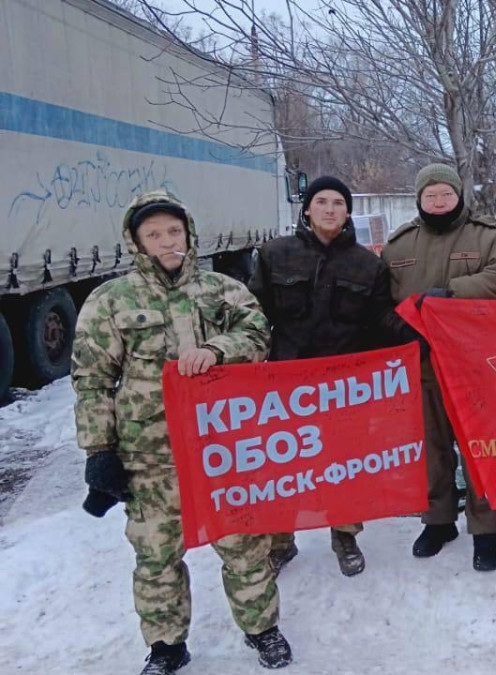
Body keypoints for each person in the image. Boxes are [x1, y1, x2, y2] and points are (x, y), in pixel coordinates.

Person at [72, 191, 291, 674]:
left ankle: (262, 629)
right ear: (137, 243)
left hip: (221, 450)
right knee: (156, 557)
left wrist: (217, 349)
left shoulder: (222, 289)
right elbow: (92, 378)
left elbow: (258, 334)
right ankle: (167, 646)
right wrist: (99, 449)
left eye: (174, 231)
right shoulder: (111, 300)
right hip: (149, 456)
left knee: (245, 545)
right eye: (154, 235)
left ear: (188, 234)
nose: (166, 241)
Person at [249, 175, 409, 577]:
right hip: (286, 384)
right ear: (307, 208)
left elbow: (380, 320)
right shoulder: (274, 254)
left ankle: (345, 535)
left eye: (338, 203)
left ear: (348, 212)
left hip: (344, 388)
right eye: (321, 201)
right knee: (283, 467)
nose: (330, 209)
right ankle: (280, 540)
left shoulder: (367, 264)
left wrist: (420, 334)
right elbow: (253, 315)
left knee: (345, 464)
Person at [381, 162, 496, 571]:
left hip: (475, 364)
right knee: (432, 449)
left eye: (446, 193)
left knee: (479, 448)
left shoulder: (489, 236)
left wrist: (453, 293)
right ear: (419, 199)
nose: (439, 201)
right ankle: (438, 521)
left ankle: (485, 528)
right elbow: (382, 298)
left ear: (459, 195)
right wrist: (400, 330)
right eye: (431, 195)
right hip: (423, 363)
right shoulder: (398, 245)